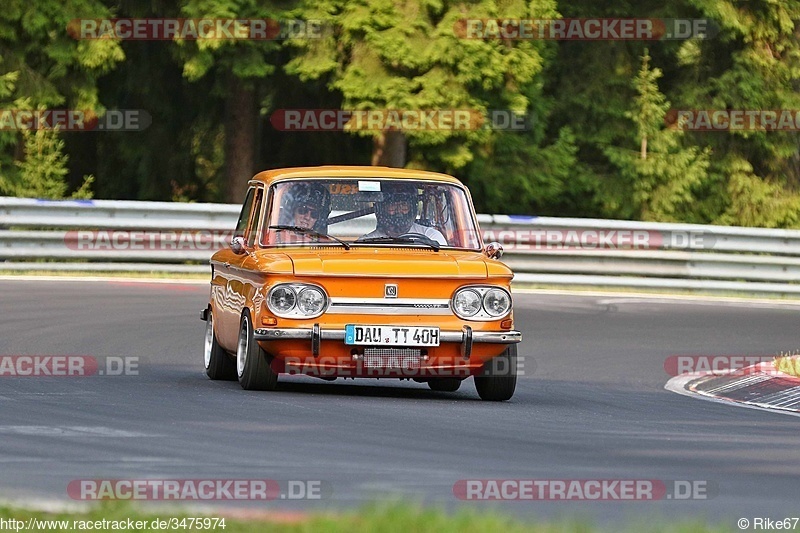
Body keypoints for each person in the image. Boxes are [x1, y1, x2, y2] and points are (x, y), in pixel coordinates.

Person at [360, 182, 447, 245]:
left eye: (404, 205)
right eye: (392, 205)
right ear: (381, 209)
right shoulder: (366, 242)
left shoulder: (432, 237)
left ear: (413, 208)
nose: (398, 211)